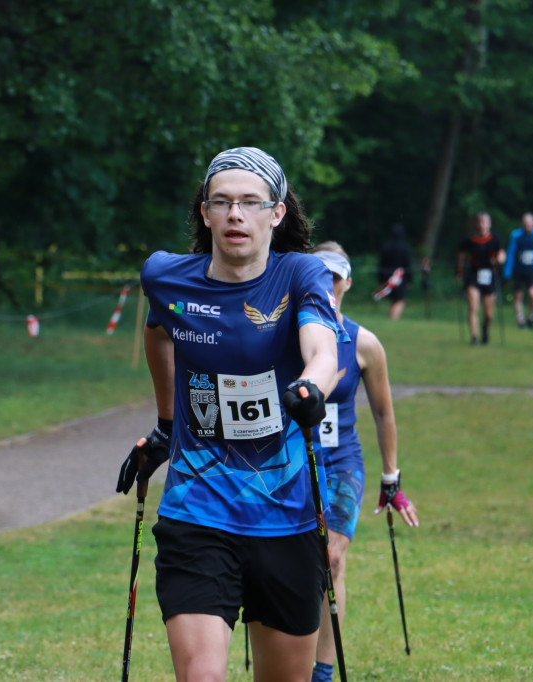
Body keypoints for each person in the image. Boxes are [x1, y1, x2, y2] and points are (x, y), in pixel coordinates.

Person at [115, 147, 348, 682]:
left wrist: (311, 386)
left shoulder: (299, 274)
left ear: (277, 212)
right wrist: (166, 424)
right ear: (204, 212)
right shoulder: (166, 278)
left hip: (285, 515)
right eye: (221, 202)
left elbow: (323, 349)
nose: (235, 215)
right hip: (197, 509)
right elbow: (157, 334)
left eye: (249, 202)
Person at [310, 242, 420, 682]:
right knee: (295, 560)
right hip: (291, 461)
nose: (328, 285)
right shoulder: (285, 336)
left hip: (342, 462)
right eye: (319, 277)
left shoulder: (365, 344)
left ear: (347, 283)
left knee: (332, 557)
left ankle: (321, 671)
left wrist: (390, 477)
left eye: (335, 278)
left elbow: (383, 412)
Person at [456, 213, 506, 346]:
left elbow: (502, 254)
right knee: (473, 307)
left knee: (489, 314)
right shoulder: (470, 239)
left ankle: (485, 328)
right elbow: (461, 253)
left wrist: (498, 260)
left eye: (485, 222)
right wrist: (459, 270)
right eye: (480, 222)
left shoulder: (495, 238)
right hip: (474, 275)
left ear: (489, 224)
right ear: (476, 224)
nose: (482, 225)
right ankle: (474, 337)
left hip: (489, 276)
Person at [376, 223, 415, 320]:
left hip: (387, 276)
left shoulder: (386, 247)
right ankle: (393, 320)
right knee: (400, 300)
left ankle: (391, 320)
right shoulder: (405, 247)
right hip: (399, 278)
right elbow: (407, 264)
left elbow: (381, 264)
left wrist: (380, 279)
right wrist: (410, 279)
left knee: (393, 300)